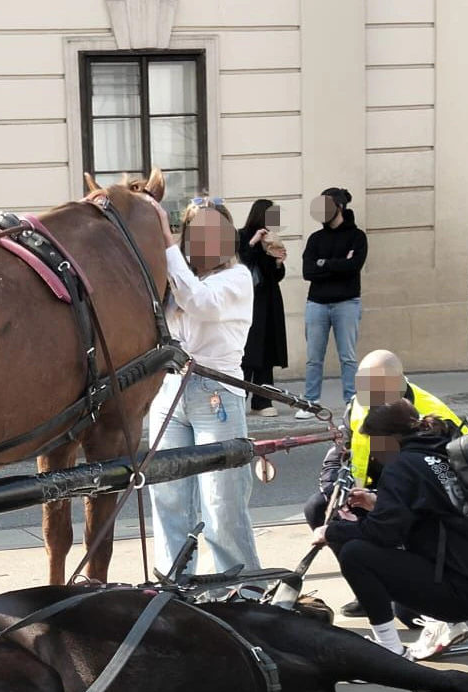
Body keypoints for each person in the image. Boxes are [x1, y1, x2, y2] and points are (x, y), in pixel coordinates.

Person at [316, 402, 468, 661]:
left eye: (375, 442)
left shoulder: (402, 466)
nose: (373, 451)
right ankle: (440, 624)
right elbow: (432, 507)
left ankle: (388, 651)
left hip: (460, 591)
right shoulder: (440, 451)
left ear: (389, 440)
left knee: (354, 553)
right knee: (401, 605)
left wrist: (332, 532)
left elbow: (383, 533)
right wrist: (378, 502)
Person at [148, 196, 261, 577]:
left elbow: (200, 303)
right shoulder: (178, 281)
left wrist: (165, 242)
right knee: (168, 497)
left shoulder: (237, 278)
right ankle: (175, 583)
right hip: (169, 393)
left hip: (216, 394)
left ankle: (242, 585)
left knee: (221, 502)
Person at [297, 186, 367, 419]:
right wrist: (336, 264)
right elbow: (308, 271)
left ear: (340, 207)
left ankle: (351, 401)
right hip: (316, 303)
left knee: (347, 356)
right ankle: (310, 402)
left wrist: (323, 264)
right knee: (313, 357)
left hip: (347, 302)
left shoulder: (357, 237)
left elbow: (354, 266)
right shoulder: (316, 239)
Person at [236, 198, 288, 414]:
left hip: (269, 301)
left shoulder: (272, 238)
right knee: (248, 352)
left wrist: (278, 261)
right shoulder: (241, 236)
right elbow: (240, 263)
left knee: (267, 350)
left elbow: (276, 276)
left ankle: (263, 400)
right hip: (249, 302)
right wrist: (254, 242)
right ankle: (240, 397)